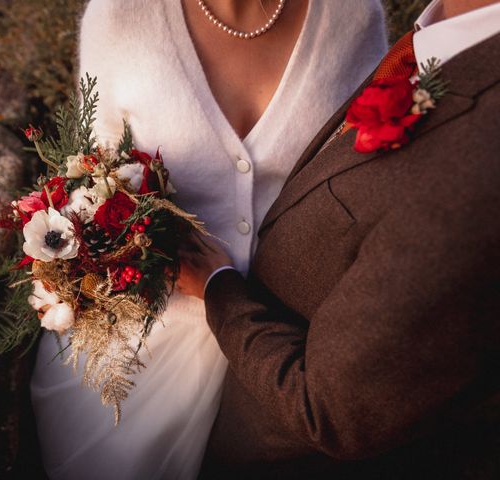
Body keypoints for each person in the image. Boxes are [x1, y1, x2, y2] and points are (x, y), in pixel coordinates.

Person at [30, 1, 387, 478]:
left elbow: (372, 165)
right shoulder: (119, 15)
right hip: (139, 357)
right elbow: (95, 175)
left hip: (293, 349)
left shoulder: (352, 14)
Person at [177, 0, 500, 478]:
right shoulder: (449, 38)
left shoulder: (482, 151)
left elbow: (332, 413)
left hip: (288, 453)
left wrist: (217, 286)